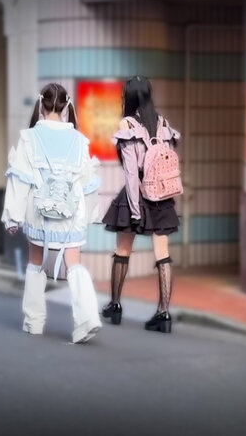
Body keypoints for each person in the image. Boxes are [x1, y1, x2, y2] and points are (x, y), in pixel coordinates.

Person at [1, 83, 103, 344]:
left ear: (41, 105)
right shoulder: (79, 140)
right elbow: (87, 183)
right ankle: (87, 319)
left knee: (36, 262)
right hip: (71, 213)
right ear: (67, 106)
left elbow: (20, 179)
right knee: (74, 263)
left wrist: (13, 216)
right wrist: (89, 214)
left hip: (40, 212)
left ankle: (34, 322)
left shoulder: (29, 138)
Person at [101, 76, 180, 333]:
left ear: (129, 96)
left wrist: (135, 210)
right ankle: (164, 313)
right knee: (163, 254)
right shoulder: (163, 123)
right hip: (162, 196)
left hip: (137, 194)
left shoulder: (128, 124)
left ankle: (115, 305)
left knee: (123, 250)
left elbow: (132, 173)